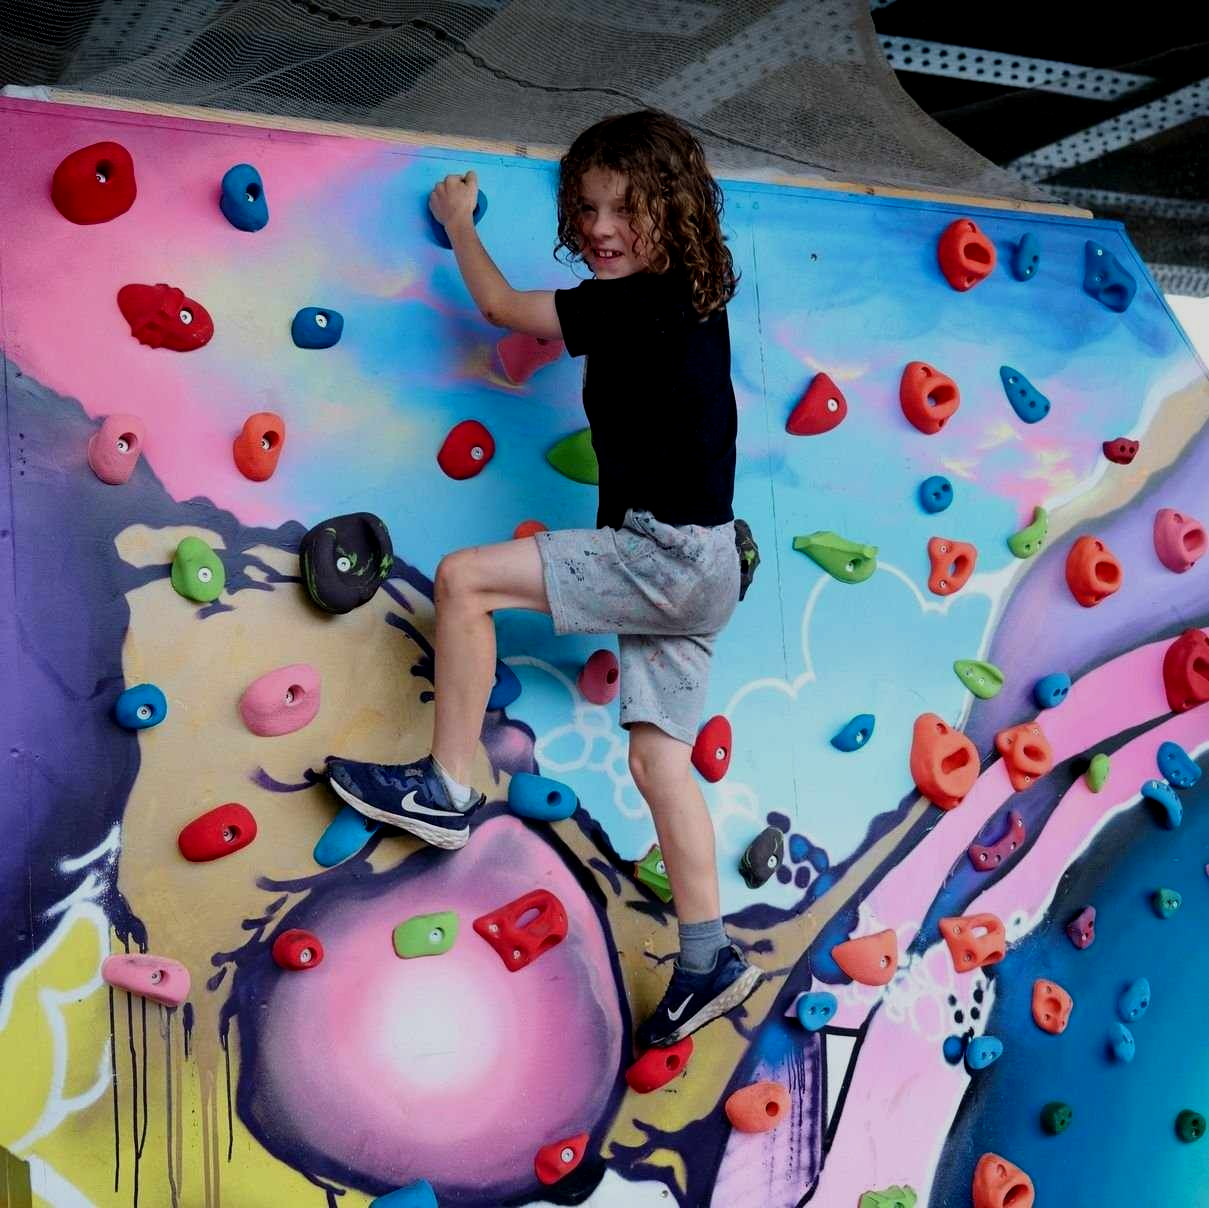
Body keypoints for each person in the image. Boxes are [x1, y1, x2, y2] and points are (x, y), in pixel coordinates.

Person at [326, 109, 763, 1048]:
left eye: (625, 208)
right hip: (708, 562)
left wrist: (456, 223)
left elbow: (500, 311)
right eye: (588, 207)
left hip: (667, 554)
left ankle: (447, 784)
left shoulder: (641, 297)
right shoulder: (687, 296)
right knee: (657, 759)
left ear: (672, 212)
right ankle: (707, 954)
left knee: (464, 580)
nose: (600, 227)